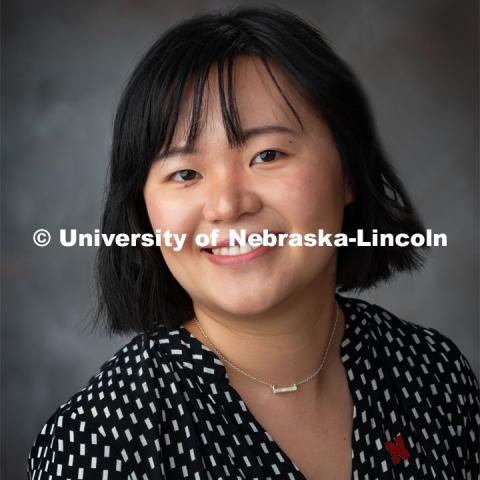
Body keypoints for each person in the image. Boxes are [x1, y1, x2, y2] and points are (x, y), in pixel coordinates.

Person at [27, 6, 479, 480]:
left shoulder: (433, 374)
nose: (227, 204)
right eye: (185, 173)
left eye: (267, 155)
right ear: (143, 215)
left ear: (348, 172)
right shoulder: (99, 440)